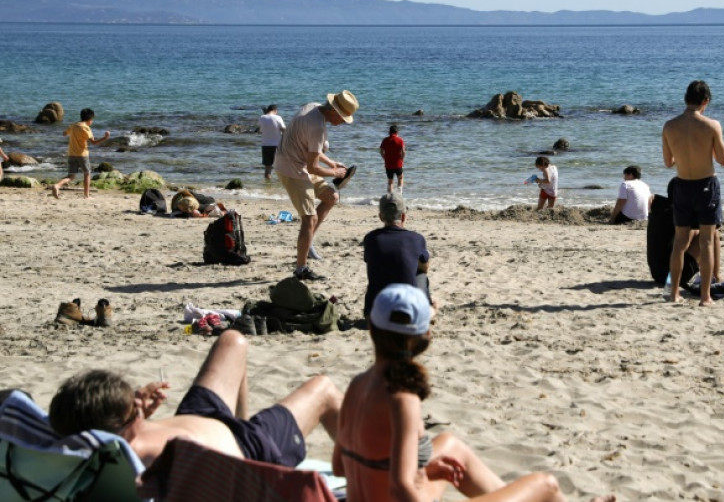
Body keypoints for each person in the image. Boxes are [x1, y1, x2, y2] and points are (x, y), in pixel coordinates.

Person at [333, 284, 615, 502]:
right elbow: (400, 487)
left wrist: (422, 469)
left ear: (371, 327)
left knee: (450, 445)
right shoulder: (402, 397)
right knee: (546, 484)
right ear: (424, 335)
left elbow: (339, 467)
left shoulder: (358, 383)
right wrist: (412, 477)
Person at [48, 330, 342, 468]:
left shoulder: (111, 443)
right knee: (323, 388)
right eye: (133, 409)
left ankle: (241, 417)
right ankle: (376, 478)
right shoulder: (145, 464)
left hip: (200, 416)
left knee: (233, 341)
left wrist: (136, 412)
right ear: (125, 427)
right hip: (251, 448)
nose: (139, 404)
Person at [274, 90, 359, 281]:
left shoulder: (312, 107)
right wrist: (335, 173)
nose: (343, 123)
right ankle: (301, 269)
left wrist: (331, 163)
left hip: (297, 163)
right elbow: (313, 168)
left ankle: (308, 242)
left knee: (331, 197)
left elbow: (309, 147)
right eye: (344, 118)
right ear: (334, 112)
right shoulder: (318, 128)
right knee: (309, 218)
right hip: (291, 169)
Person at [662, 80, 724, 305]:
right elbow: (721, 160)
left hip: (682, 184)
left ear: (685, 99)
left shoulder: (669, 126)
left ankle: (674, 294)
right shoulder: (712, 125)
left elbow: (668, 162)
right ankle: (705, 297)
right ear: (705, 101)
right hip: (706, 186)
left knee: (680, 242)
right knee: (707, 242)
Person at [363, 192, 432, 319]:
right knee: (421, 275)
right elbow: (425, 268)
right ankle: (428, 310)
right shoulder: (416, 238)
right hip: (406, 315)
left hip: (374, 315)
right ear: (404, 216)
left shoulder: (370, 238)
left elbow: (370, 260)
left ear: (380, 216)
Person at [52, 108, 110, 199]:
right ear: (90, 119)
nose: (92, 122)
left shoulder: (74, 125)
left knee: (71, 176)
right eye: (92, 120)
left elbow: (64, 133)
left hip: (71, 154)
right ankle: (86, 195)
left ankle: (57, 185)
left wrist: (70, 133)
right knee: (87, 174)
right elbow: (94, 142)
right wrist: (105, 138)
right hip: (82, 155)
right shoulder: (86, 128)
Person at [259, 104, 286, 179]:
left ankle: (268, 186)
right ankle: (280, 186)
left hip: (265, 145)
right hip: (278, 145)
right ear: (275, 110)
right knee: (281, 168)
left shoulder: (261, 117)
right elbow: (284, 129)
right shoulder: (278, 117)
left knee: (268, 169)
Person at [379, 125, 406, 194]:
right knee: (400, 178)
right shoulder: (400, 140)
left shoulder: (385, 140)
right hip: (398, 163)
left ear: (389, 132)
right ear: (397, 132)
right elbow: (403, 151)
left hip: (388, 164)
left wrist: (384, 158)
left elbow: (381, 151)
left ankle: (389, 195)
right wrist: (402, 159)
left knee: (390, 181)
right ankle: (399, 193)